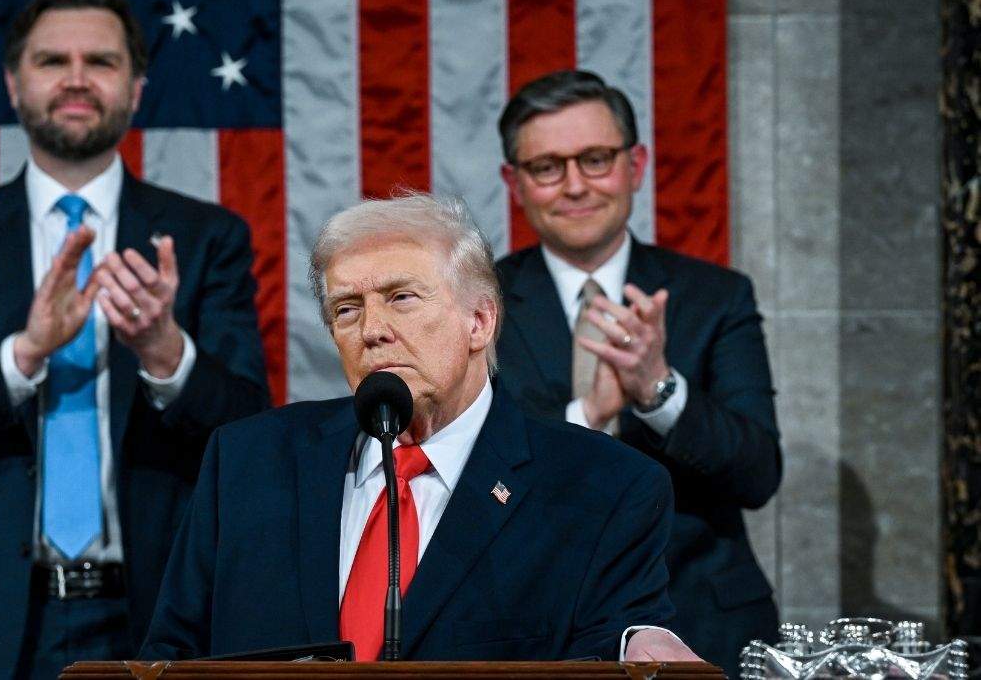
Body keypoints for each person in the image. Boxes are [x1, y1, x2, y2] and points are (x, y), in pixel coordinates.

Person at [0, 0, 270, 678]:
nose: (77, 79)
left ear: (136, 89)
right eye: (53, 61)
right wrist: (22, 356)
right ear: (13, 83)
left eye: (101, 62)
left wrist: (165, 354)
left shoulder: (206, 238)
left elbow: (251, 430)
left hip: (157, 612)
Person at [138, 193, 700, 664]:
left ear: (480, 321)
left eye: (401, 298)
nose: (372, 330)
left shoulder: (603, 488)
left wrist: (641, 646)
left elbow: (615, 648)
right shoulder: (247, 462)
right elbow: (172, 656)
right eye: (347, 309)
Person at [494, 69, 781, 676]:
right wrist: (588, 416)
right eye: (547, 167)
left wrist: (658, 392)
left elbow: (758, 475)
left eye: (595, 159)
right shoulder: (478, 304)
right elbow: (467, 471)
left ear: (636, 165)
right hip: (529, 624)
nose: (575, 185)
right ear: (514, 183)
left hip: (701, 620)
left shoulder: (716, 296)